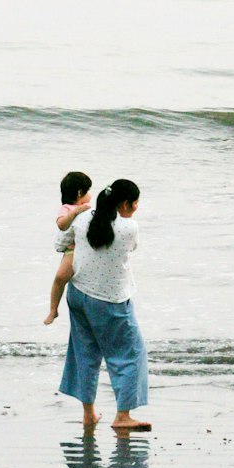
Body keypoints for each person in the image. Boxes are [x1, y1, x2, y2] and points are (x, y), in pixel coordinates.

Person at [56, 178, 150, 432]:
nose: (137, 207)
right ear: (125, 204)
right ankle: (122, 415)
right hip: (110, 300)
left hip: (78, 294)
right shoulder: (129, 228)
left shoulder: (82, 216)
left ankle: (89, 414)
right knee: (131, 355)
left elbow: (61, 243)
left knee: (85, 353)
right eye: (136, 203)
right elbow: (131, 250)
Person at [43, 170, 92, 325]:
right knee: (59, 278)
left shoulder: (88, 208)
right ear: (79, 193)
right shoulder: (66, 208)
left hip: (87, 250)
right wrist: (75, 212)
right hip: (72, 251)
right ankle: (53, 310)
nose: (90, 194)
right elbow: (62, 225)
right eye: (88, 191)